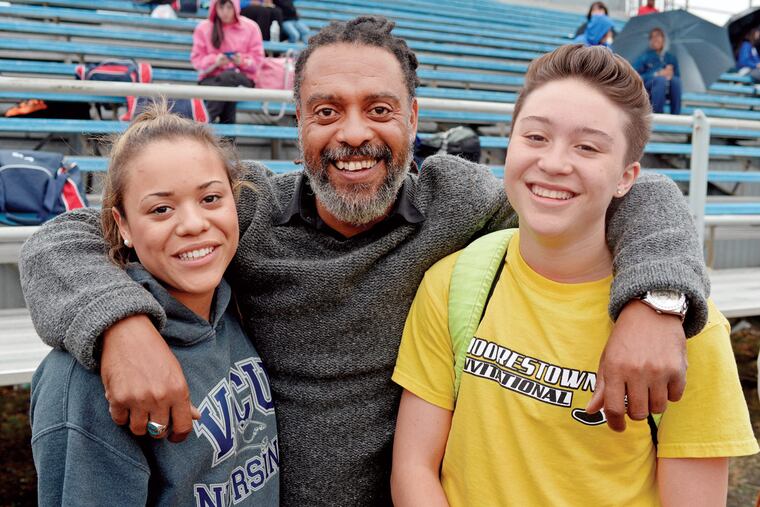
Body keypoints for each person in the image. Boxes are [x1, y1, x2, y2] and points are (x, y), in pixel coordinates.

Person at [20, 16, 711, 505]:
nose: (353, 133)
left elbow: (636, 187)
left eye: (378, 108)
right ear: (297, 123)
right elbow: (64, 237)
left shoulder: (461, 201)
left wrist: (658, 301)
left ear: (413, 116)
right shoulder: (244, 209)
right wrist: (122, 324)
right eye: (326, 111)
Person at [390, 44, 758, 506]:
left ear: (627, 178)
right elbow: (414, 467)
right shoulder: (454, 282)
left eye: (587, 147)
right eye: (536, 137)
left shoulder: (685, 332)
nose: (554, 163)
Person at [29, 102, 279, 506]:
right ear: (123, 224)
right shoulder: (86, 383)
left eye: (211, 198)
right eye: (161, 209)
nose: (194, 224)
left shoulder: (235, 300)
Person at [191, 0, 264, 124]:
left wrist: (242, 61)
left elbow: (258, 62)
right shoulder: (203, 28)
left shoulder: (251, 27)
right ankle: (228, 141)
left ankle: (203, 123)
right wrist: (215, 61)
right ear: (215, 7)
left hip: (242, 78)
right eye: (221, 7)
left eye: (229, 7)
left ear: (235, 7)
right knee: (228, 91)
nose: (225, 12)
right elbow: (197, 61)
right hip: (211, 79)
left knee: (228, 77)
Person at [635, 27, 682, 115]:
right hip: (650, 85)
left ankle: (676, 114)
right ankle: (658, 113)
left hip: (668, 86)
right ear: (650, 41)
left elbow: (678, 75)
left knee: (676, 81)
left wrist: (671, 75)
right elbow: (636, 75)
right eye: (652, 37)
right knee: (660, 80)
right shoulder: (644, 57)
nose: (655, 39)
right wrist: (656, 74)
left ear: (663, 39)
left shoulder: (671, 58)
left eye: (658, 36)